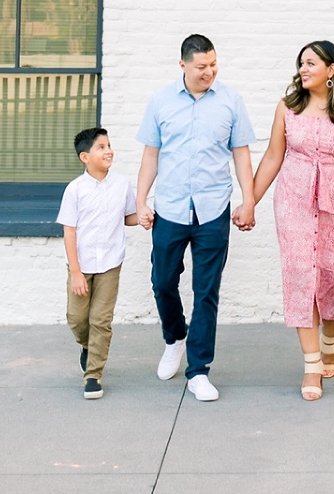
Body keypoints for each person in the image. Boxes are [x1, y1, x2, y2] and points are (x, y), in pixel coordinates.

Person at [248, 41, 334, 401]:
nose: (303, 69)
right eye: (301, 63)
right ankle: (311, 366)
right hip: (293, 199)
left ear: (332, 69)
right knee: (300, 276)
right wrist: (250, 201)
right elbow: (273, 156)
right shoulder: (287, 108)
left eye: (311, 63)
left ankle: (329, 340)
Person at [136, 34, 256, 402]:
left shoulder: (231, 101)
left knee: (206, 291)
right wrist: (141, 201)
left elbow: (241, 156)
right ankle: (175, 338)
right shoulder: (160, 101)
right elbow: (151, 156)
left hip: (213, 210)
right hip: (169, 209)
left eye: (213, 65)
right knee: (162, 282)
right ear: (183, 65)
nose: (209, 72)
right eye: (202, 66)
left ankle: (199, 370)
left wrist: (248, 200)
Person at [57, 127, 138, 399]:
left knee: (101, 320)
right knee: (77, 319)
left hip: (111, 263)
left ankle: (93, 375)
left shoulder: (122, 184)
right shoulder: (75, 190)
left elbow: (129, 217)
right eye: (100, 147)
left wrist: (149, 215)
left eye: (109, 145)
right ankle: (87, 346)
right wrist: (76, 272)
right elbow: (70, 231)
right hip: (81, 265)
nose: (108, 151)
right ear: (85, 157)